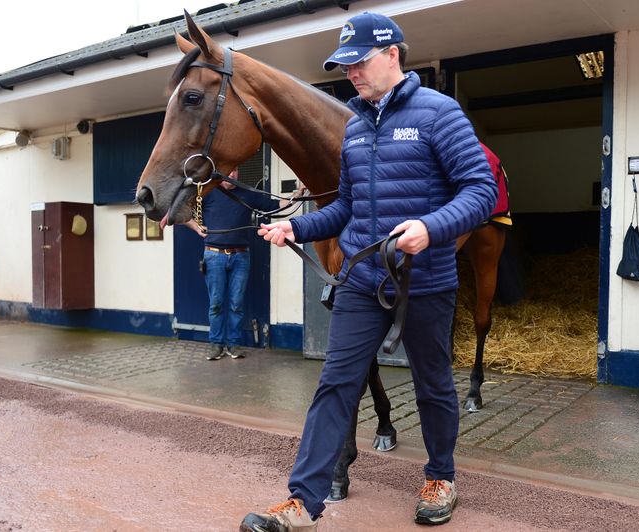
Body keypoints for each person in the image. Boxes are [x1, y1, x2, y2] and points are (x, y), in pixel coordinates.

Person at [241, 12, 496, 531]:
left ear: (393, 55)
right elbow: (348, 211)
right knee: (336, 383)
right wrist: (298, 229)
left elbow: (480, 191)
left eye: (360, 61)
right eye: (345, 65)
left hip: (424, 281)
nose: (352, 72)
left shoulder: (439, 114)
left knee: (432, 384)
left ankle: (441, 477)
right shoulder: (355, 130)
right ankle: (301, 502)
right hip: (362, 281)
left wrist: (431, 226)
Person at [190, 169, 279, 361]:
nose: (231, 174)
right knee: (216, 304)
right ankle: (216, 345)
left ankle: (234, 345)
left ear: (238, 172)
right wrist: (195, 226)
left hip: (241, 256)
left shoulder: (247, 193)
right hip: (214, 255)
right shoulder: (206, 192)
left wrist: (298, 195)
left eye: (235, 170)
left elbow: (275, 206)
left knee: (236, 304)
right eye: (227, 171)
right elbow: (182, 209)